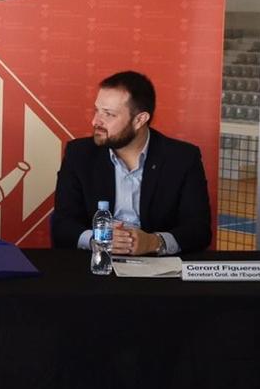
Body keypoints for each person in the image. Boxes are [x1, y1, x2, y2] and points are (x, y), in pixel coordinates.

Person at [51, 70, 211, 255]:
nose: (95, 121)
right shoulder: (79, 154)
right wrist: (97, 239)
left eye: (109, 114)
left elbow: (199, 230)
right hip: (95, 264)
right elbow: (62, 226)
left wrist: (154, 242)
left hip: (157, 267)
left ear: (140, 120)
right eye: (97, 110)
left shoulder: (182, 158)